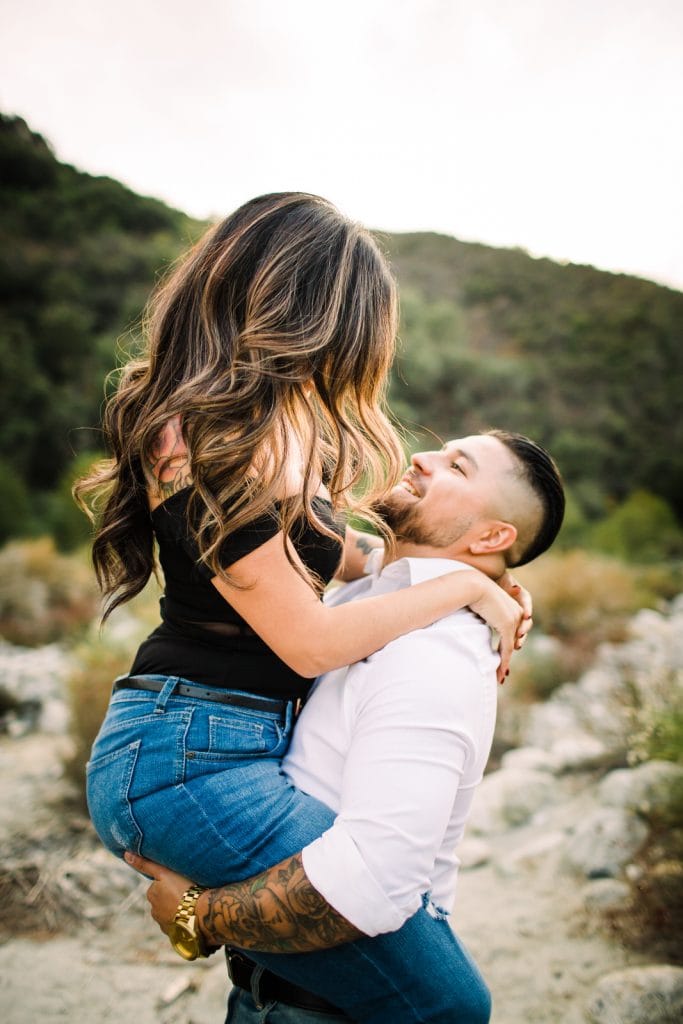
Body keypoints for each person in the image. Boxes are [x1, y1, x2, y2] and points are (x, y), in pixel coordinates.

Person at [78, 193, 532, 1024]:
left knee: (335, 965)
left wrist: (476, 576)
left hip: (220, 746)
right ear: (305, 311)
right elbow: (310, 642)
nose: (355, 356)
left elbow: (335, 560)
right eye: (354, 330)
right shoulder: (198, 433)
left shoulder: (269, 426)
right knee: (447, 1004)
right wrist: (466, 586)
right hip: (185, 758)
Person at [126, 429, 566, 1024]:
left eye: (457, 467)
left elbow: (373, 877)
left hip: (328, 1010)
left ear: (492, 536)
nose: (421, 457)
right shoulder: (370, 594)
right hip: (275, 991)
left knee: (454, 1006)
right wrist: (475, 580)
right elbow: (346, 562)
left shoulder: (436, 654)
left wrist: (197, 918)